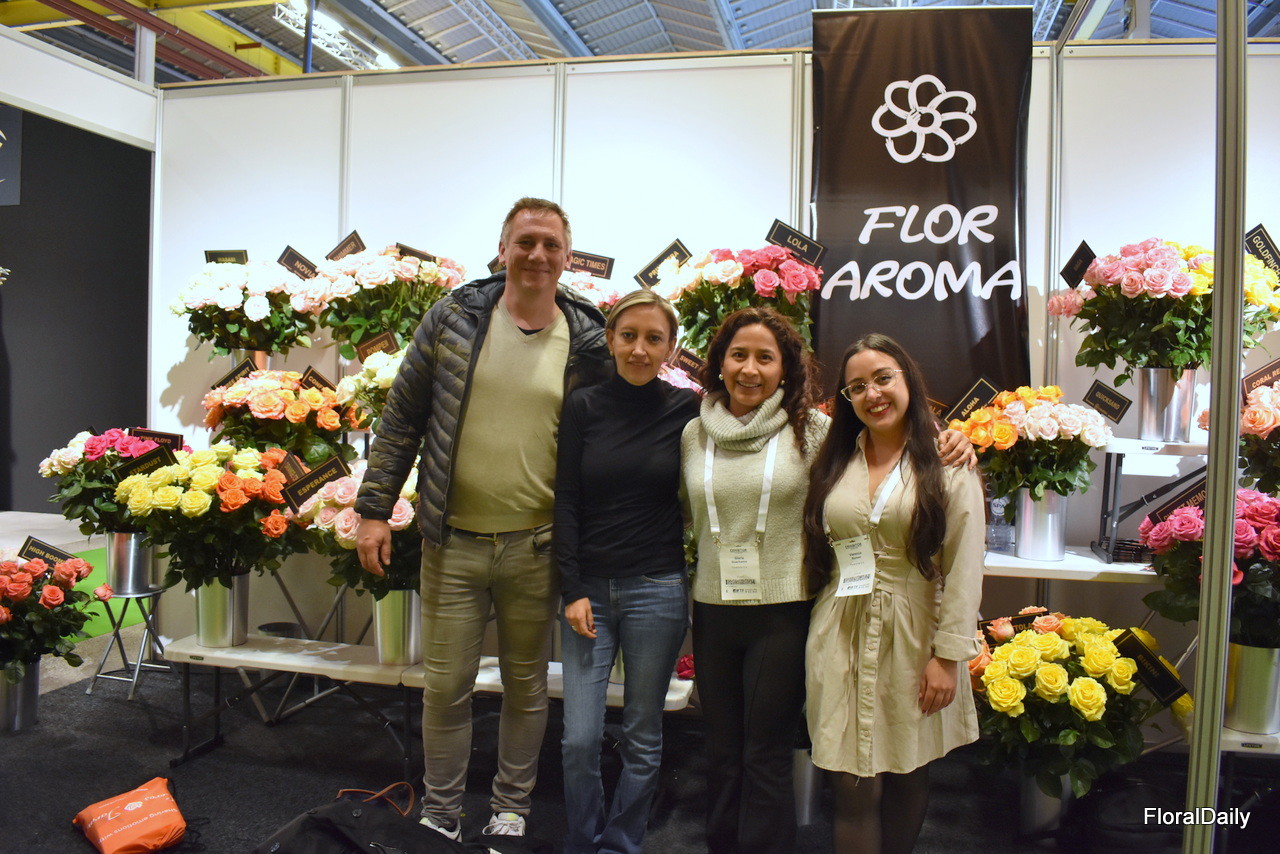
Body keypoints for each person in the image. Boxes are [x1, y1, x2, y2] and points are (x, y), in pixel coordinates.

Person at [353, 197, 611, 842]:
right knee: (446, 688)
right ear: (502, 250)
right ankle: (441, 811)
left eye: (550, 244)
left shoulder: (588, 337)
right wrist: (374, 510)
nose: (537, 255)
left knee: (527, 686)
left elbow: (606, 439)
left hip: (537, 546)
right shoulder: (454, 319)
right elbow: (401, 418)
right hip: (453, 543)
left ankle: (510, 809)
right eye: (525, 242)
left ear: (568, 256)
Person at [801, 333, 985, 854]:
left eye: (883, 378)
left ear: (908, 380)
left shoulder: (947, 463)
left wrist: (948, 657)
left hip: (913, 633)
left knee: (907, 768)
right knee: (850, 781)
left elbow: (965, 568)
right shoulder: (835, 459)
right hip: (838, 628)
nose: (872, 394)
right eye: (857, 387)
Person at [555, 288, 699, 854]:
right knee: (579, 738)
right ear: (610, 339)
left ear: (670, 347)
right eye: (629, 336)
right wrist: (571, 587)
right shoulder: (583, 405)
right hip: (588, 592)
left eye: (653, 338)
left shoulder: (687, 410)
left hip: (657, 589)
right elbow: (566, 499)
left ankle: (620, 843)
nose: (640, 349)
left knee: (643, 733)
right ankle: (581, 839)